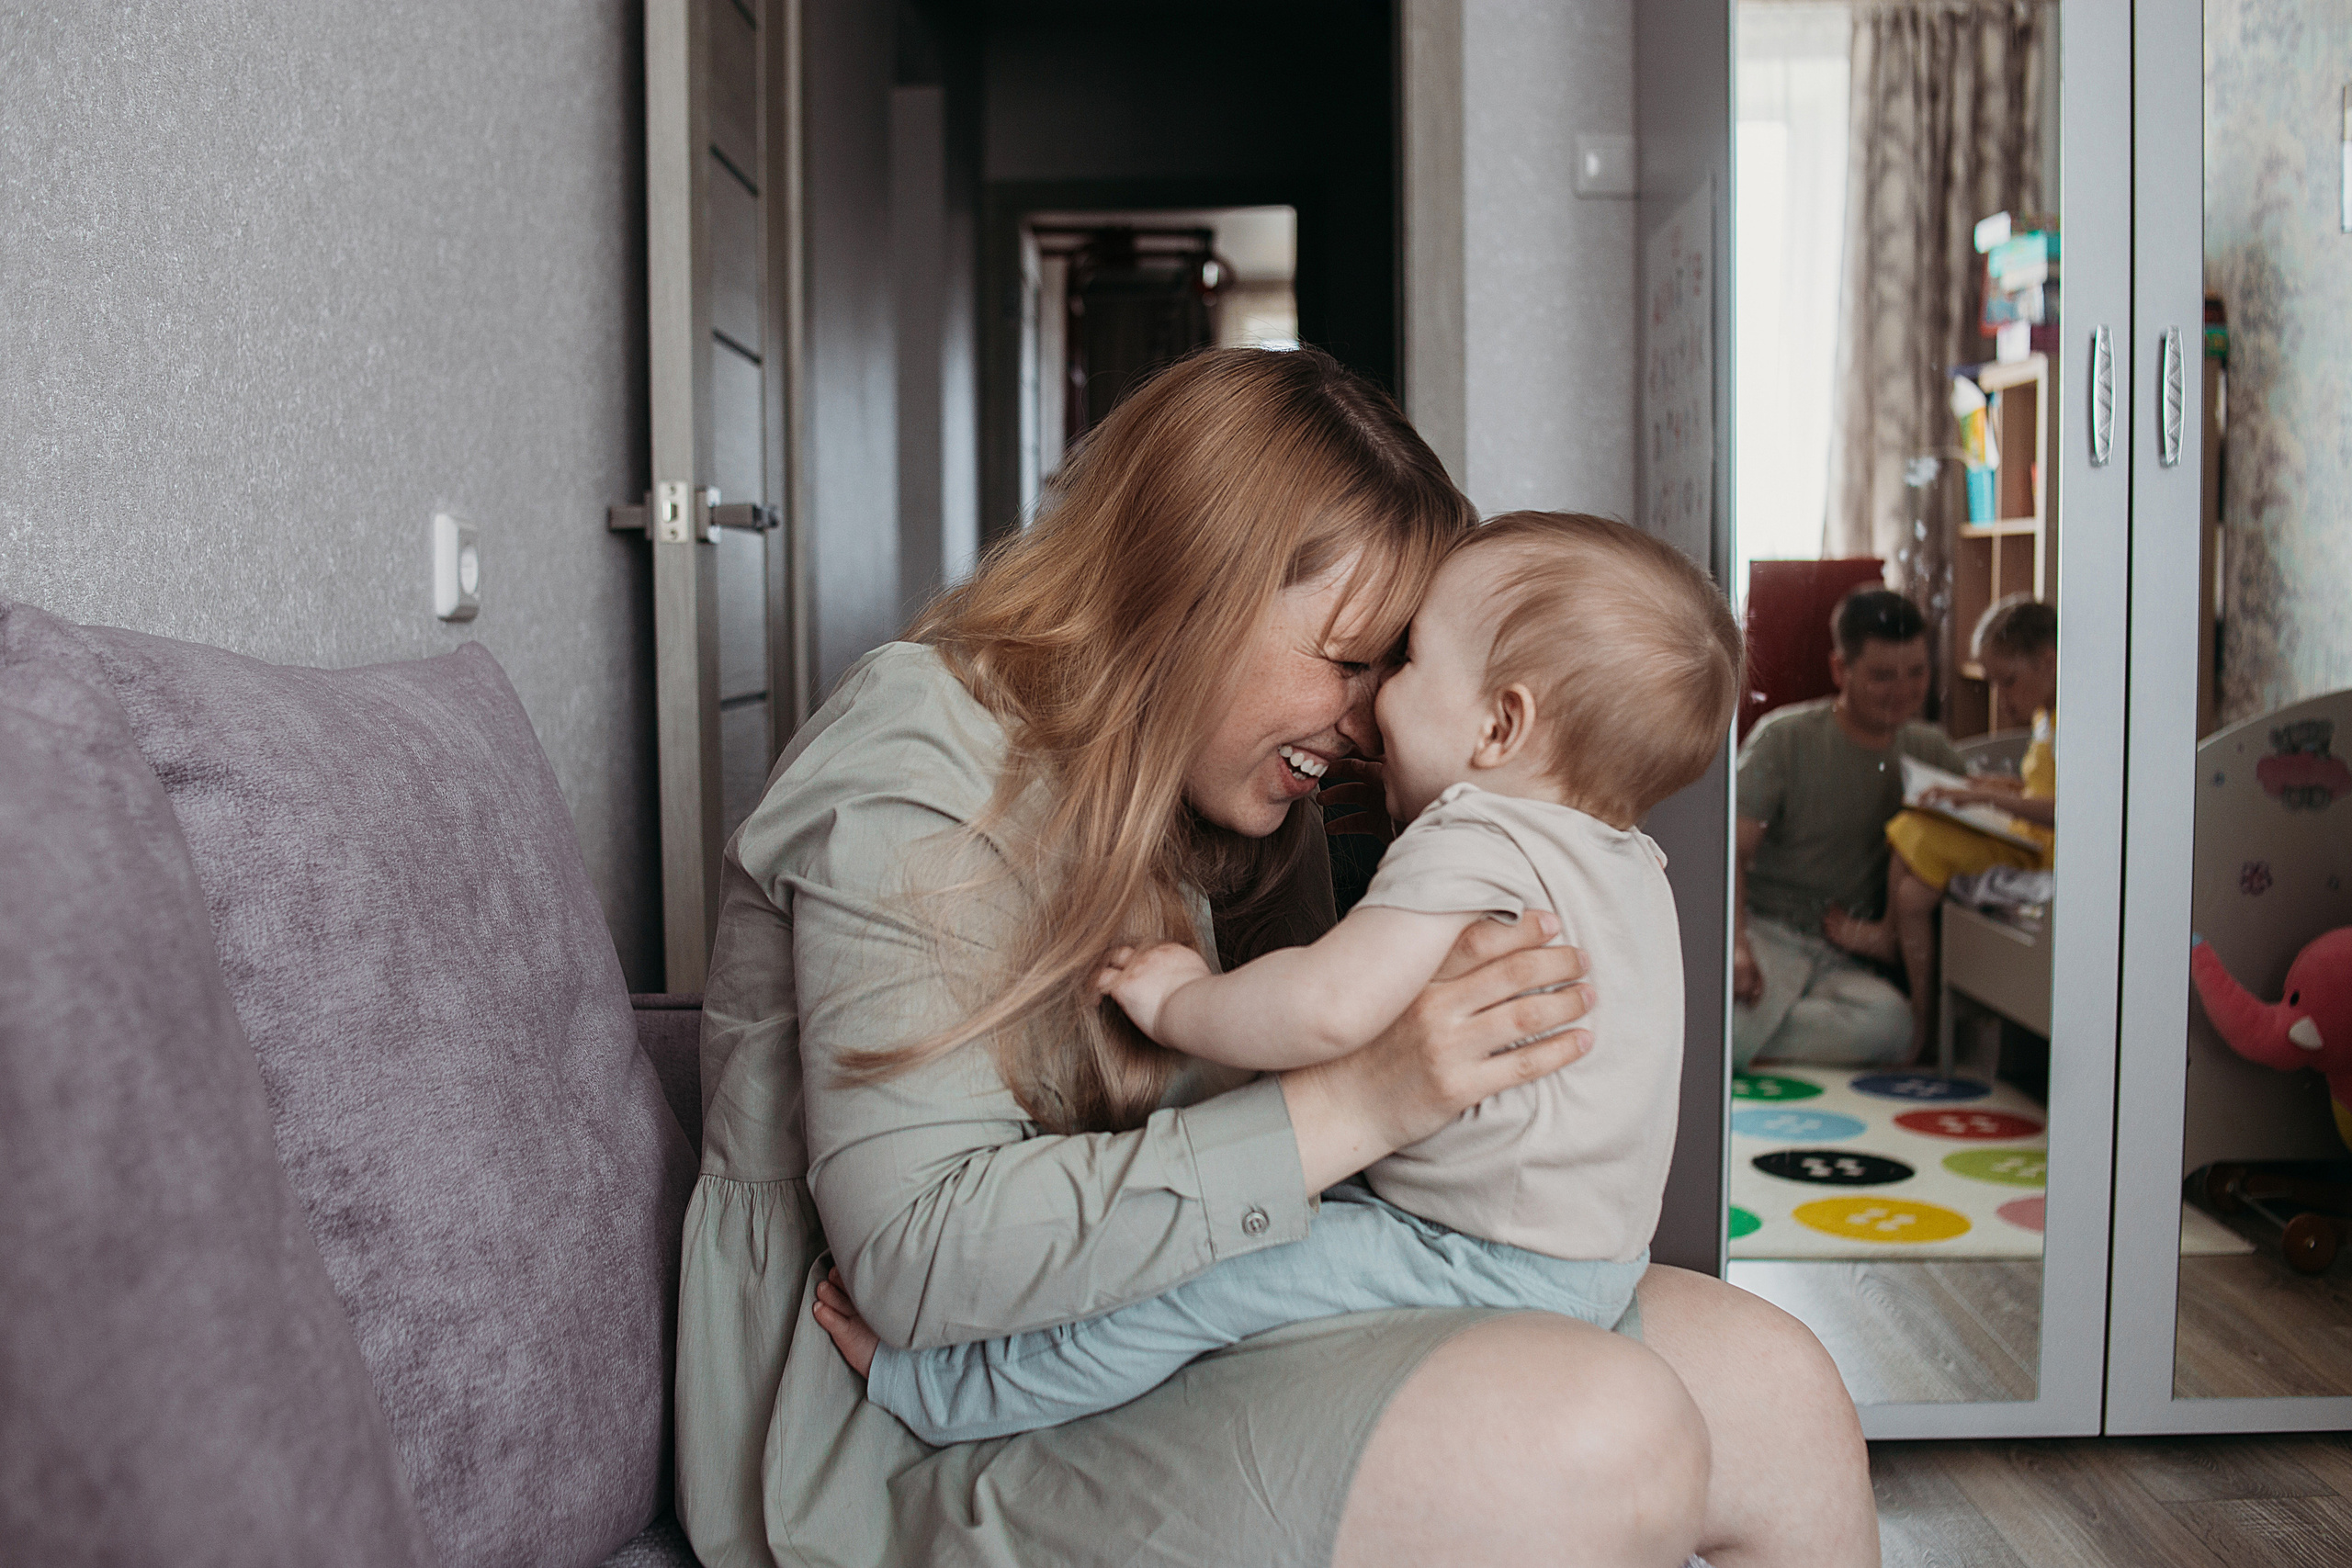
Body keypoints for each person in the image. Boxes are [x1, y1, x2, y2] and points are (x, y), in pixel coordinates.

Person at [674, 346, 1877, 1568]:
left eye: (1394, 667)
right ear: (1192, 584)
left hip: (1159, 1319)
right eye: (1351, 662)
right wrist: (1361, 1096)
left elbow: (1301, 1130)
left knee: (1777, 1390)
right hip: (903, 1414)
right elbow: (911, 1265)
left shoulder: (1246, 795)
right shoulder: (921, 748)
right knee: (1603, 1435)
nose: (1366, 725)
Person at [808, 511, 1740, 1446]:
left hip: (1463, 1254)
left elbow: (1326, 1007)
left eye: (1405, 662)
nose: (1373, 707)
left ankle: (956, 1391)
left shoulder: (1473, 838)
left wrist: (1177, 1002)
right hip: (1597, 1266)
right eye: (1356, 662)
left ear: (1499, 724)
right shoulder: (1627, 865)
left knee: (1208, 1286)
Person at [1732, 587, 1964, 1070]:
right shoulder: (1784, 738)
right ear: (1841, 670)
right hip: (1769, 934)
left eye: (1917, 673)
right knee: (1718, 1027)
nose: (1903, 690)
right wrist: (1737, 947)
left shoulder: (1933, 751)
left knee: (1893, 1027)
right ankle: (1751, 1034)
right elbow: (1731, 852)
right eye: (1882, 675)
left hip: (1849, 955)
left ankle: (1762, 1038)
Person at [1824, 595, 2057, 1058]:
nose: (2003, 699)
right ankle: (1920, 1014)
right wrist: (1993, 783)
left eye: (2008, 682)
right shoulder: (2046, 719)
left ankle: (1896, 959)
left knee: (1918, 830)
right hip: (2028, 837)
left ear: (2049, 662)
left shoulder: (2084, 725)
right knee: (1913, 876)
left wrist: (1987, 797)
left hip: (2043, 851)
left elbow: (2073, 809)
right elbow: (2040, 787)